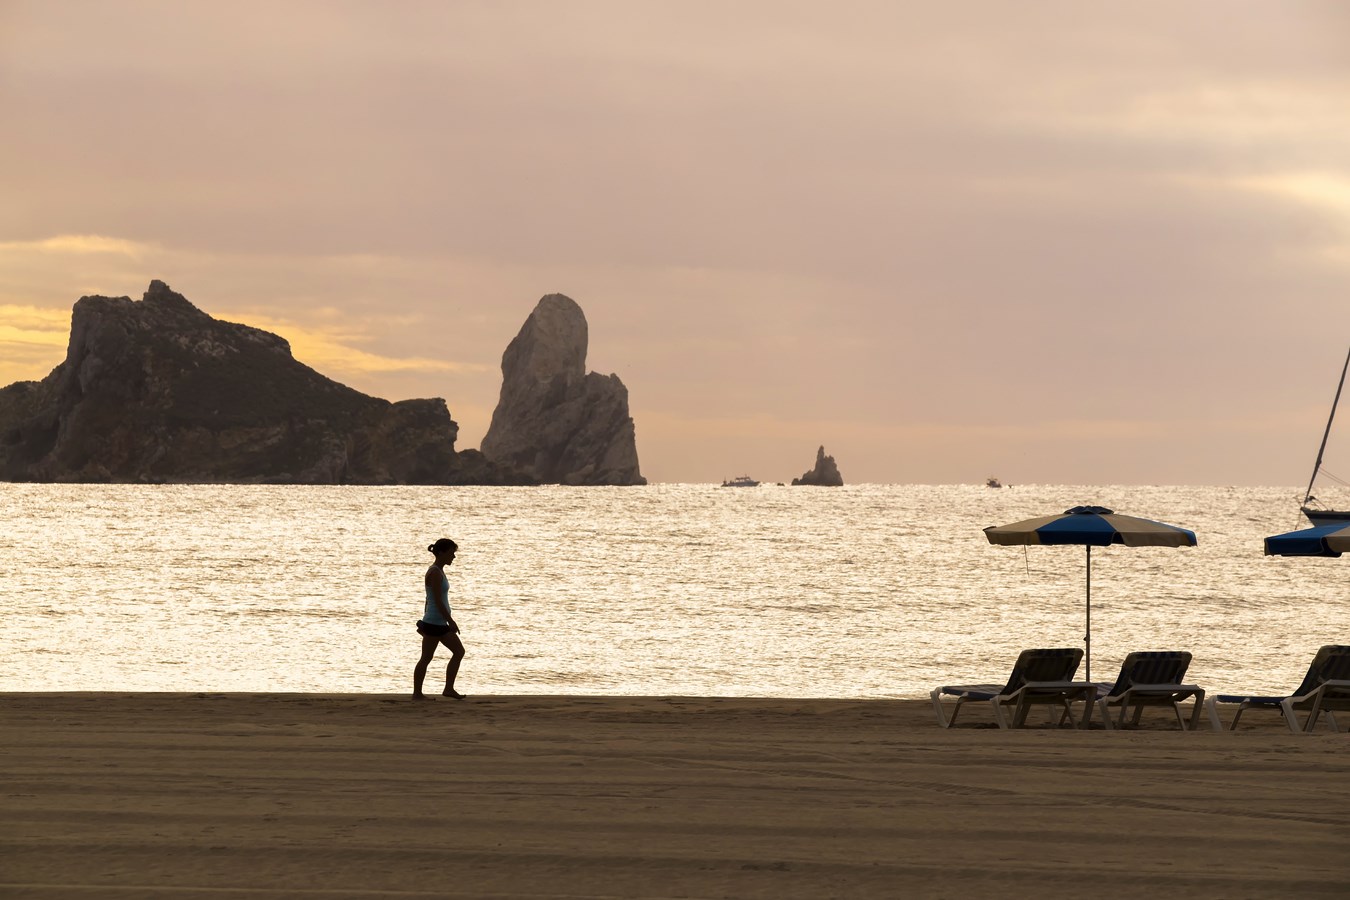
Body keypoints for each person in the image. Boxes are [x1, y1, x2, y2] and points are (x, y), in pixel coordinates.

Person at [413, 538, 466, 700]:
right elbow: (436, 600)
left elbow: (429, 599)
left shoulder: (439, 571)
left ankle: (448, 689)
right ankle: (417, 694)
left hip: (437, 622)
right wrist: (451, 621)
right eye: (451, 553)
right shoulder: (434, 572)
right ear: (442, 553)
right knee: (427, 658)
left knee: (458, 652)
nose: (453, 557)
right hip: (435, 623)